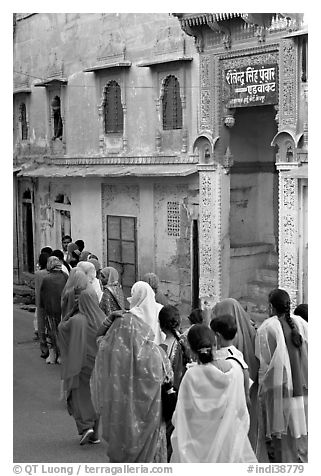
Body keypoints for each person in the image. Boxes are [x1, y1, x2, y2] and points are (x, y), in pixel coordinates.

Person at [90, 309, 173, 462]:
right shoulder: (157, 354)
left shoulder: (111, 353)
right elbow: (169, 379)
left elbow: (98, 337)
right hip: (151, 422)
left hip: (121, 420)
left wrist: (109, 319)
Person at [170, 324, 257, 463]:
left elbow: (182, 414)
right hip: (228, 441)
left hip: (196, 443)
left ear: (191, 349)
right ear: (215, 343)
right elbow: (241, 409)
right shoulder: (235, 370)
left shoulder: (192, 374)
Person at [255, 289, 308, 463]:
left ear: (270, 307)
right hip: (303, 388)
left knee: (283, 441)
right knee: (302, 437)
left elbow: (263, 361)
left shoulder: (267, 327)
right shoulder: (301, 323)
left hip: (280, 390)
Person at [58, 287, 106, 445]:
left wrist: (71, 311)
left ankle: (86, 427)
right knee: (96, 398)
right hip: (99, 365)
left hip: (80, 366)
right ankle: (95, 435)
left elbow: (61, 328)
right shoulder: (102, 318)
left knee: (79, 397)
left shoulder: (76, 319)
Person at [158, 305, 193, 461]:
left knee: (167, 443)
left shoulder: (159, 350)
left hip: (166, 402)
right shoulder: (187, 344)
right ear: (179, 323)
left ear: (160, 325)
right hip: (186, 400)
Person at [210, 313, 251, 409]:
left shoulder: (220, 355)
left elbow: (245, 372)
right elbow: (245, 371)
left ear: (217, 336)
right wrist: (246, 395)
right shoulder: (236, 352)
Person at [40, 256, 68, 364]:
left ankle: (53, 356)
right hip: (63, 310)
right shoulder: (65, 276)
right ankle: (61, 355)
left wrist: (43, 307)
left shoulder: (46, 279)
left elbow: (43, 296)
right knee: (62, 333)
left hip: (51, 310)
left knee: (51, 333)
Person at [35, 252, 50, 358]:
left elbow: (37, 289)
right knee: (51, 324)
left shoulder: (38, 274)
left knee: (42, 325)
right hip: (51, 301)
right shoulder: (51, 273)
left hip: (41, 302)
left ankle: (44, 349)